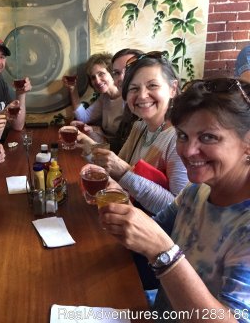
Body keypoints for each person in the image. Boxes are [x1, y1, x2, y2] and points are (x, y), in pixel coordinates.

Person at [99, 77, 250, 322]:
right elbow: (151, 232)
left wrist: (163, 253)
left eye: (208, 137)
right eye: (182, 135)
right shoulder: (196, 191)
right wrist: (123, 215)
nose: (188, 151)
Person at [78, 51, 188, 215]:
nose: (142, 95)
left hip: (155, 234)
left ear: (172, 88)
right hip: (127, 216)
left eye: (152, 85)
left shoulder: (180, 139)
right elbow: (115, 171)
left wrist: (124, 172)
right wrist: (90, 148)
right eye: (134, 88)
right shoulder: (139, 126)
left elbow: (179, 211)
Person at [64, 52, 124, 147]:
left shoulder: (127, 99)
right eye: (93, 77)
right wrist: (73, 89)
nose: (97, 81)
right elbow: (84, 117)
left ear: (112, 74)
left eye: (101, 74)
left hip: (119, 151)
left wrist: (96, 130)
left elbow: (124, 139)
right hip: (106, 145)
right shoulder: (104, 97)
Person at [110, 48, 144, 152]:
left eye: (128, 69)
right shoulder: (129, 109)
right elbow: (117, 150)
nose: (121, 77)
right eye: (116, 73)